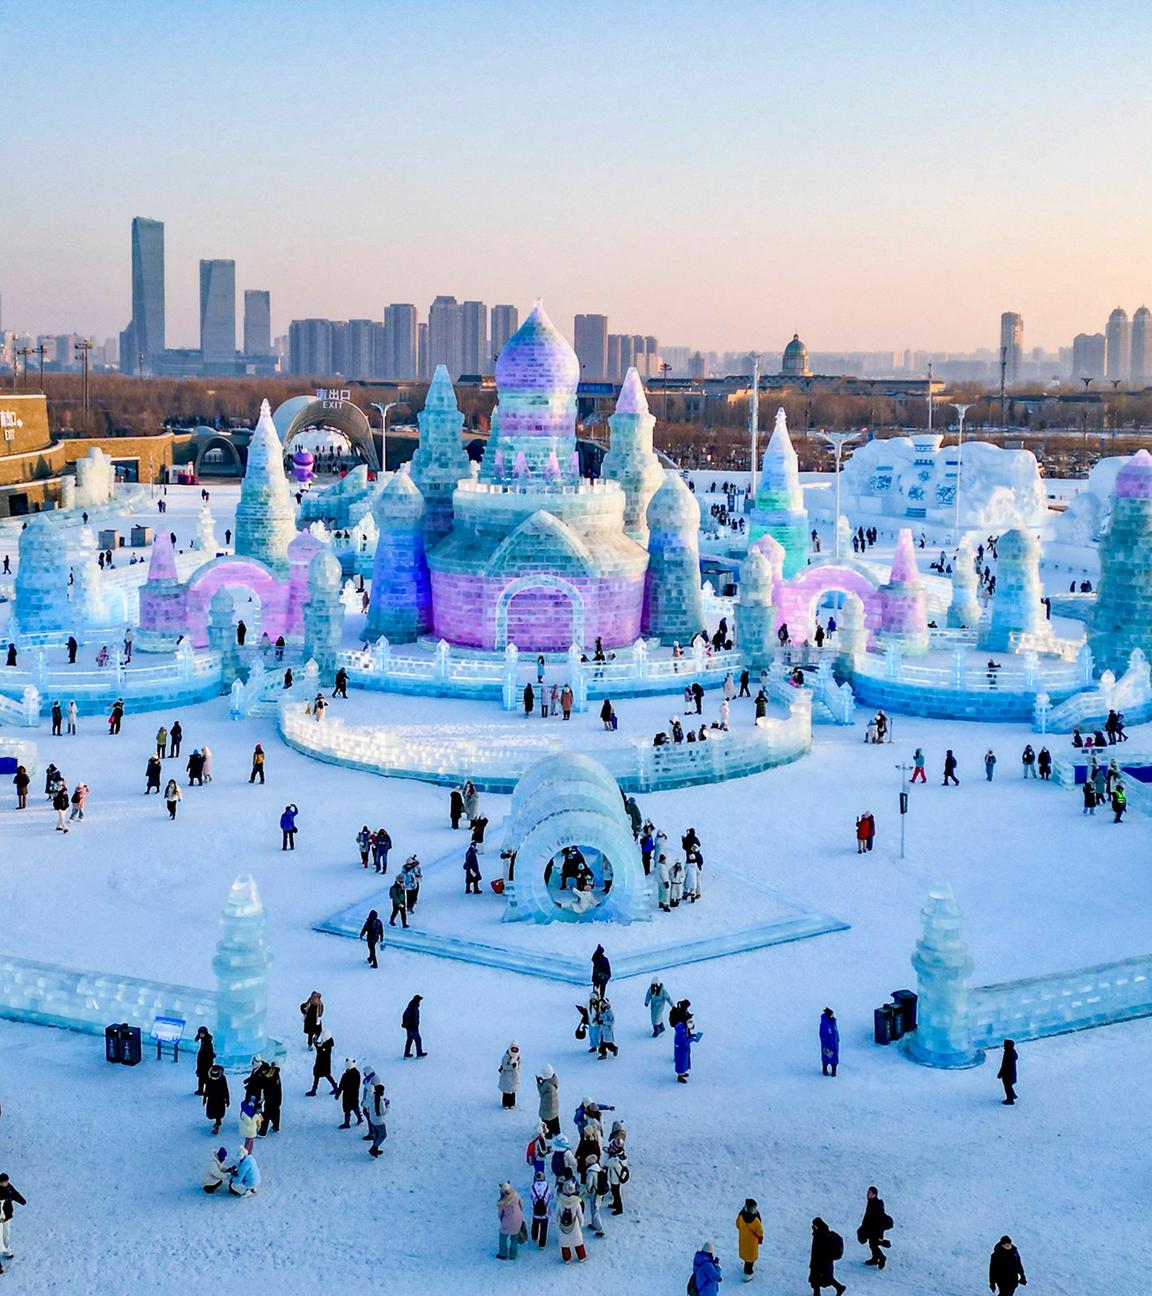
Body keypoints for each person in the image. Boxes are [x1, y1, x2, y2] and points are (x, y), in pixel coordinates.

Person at [809, 1217, 846, 1296]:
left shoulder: (821, 1236)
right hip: (826, 1262)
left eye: (814, 1225)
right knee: (827, 1278)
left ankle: (817, 1295)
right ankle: (839, 1288)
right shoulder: (823, 1233)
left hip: (820, 1263)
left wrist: (814, 1263)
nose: (813, 1227)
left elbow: (818, 1251)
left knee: (816, 1279)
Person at [858, 1186, 892, 1269]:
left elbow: (879, 1221)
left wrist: (880, 1234)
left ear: (874, 1194)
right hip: (871, 1228)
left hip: (876, 1230)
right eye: (868, 1192)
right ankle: (875, 1258)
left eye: (870, 1193)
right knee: (872, 1243)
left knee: (873, 1244)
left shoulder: (876, 1205)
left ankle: (881, 1258)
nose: (868, 1194)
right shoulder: (871, 1202)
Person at [556, 1177, 586, 1263]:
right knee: (578, 1241)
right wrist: (581, 1223)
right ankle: (582, 1256)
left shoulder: (560, 1201)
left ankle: (567, 1258)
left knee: (564, 1242)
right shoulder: (576, 1202)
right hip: (574, 1225)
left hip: (563, 1225)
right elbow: (580, 1214)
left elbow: (557, 1214)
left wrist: (558, 1223)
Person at [736, 1199, 764, 1283]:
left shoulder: (741, 1217)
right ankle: (747, 1274)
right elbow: (760, 1232)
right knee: (750, 1258)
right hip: (752, 1243)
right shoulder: (755, 1221)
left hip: (743, 1240)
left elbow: (737, 1225)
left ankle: (746, 1268)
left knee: (746, 1255)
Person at [497, 1181, 524, 1260]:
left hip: (507, 1222)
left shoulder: (502, 1202)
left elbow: (500, 1214)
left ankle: (503, 1253)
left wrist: (502, 1221)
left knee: (503, 1236)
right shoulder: (516, 1194)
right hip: (518, 1219)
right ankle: (513, 1254)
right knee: (514, 1237)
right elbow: (521, 1205)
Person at [673, 1005, 701, 1083]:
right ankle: (680, 1076)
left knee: (684, 1061)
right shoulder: (681, 1029)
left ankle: (683, 1073)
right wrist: (692, 1039)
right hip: (681, 1049)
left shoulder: (683, 1027)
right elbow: (683, 1041)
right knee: (681, 1062)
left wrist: (691, 1036)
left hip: (683, 1049)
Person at [307, 1030, 338, 1096]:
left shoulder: (327, 1046)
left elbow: (320, 1051)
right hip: (322, 1063)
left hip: (322, 1064)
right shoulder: (327, 1043)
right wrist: (316, 1043)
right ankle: (335, 1087)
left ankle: (314, 1090)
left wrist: (315, 1043)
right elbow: (320, 1047)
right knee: (325, 1076)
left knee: (320, 1076)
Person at [203, 1064, 230, 1134]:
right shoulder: (209, 1079)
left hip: (220, 1098)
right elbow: (207, 1088)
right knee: (211, 1113)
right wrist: (205, 1097)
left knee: (219, 1112)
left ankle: (218, 1123)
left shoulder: (222, 1078)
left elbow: (225, 1089)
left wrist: (227, 1099)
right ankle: (217, 1122)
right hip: (211, 1098)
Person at [528, 1169, 552, 1248]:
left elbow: (531, 1197)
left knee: (535, 1224)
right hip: (545, 1211)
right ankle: (542, 1244)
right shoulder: (547, 1187)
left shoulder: (533, 1187)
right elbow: (550, 1197)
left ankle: (534, 1236)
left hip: (536, 1211)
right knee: (544, 1228)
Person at [336, 1059, 363, 1127]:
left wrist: (337, 1094)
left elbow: (341, 1085)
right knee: (355, 1106)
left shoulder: (346, 1075)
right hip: (355, 1094)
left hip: (347, 1095)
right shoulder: (357, 1073)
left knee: (347, 1109)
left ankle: (347, 1123)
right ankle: (359, 1118)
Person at [365, 1083, 389, 1157]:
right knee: (383, 1135)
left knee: (376, 1134)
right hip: (379, 1121)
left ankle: (375, 1148)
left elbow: (366, 1105)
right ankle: (374, 1148)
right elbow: (383, 1112)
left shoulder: (372, 1096)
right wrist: (387, 1105)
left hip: (372, 1119)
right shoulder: (380, 1101)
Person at [537, 1064, 560, 1136]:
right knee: (554, 1119)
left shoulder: (546, 1084)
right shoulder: (554, 1079)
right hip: (554, 1105)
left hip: (547, 1107)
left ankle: (548, 1133)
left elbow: (541, 1091)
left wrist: (539, 1083)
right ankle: (556, 1131)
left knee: (547, 1120)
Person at [259, 1064, 282, 1135]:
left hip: (271, 1100)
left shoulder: (270, 1079)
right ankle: (276, 1127)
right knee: (275, 1113)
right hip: (277, 1099)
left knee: (266, 1115)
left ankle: (262, 1132)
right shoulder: (275, 1075)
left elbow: (266, 1088)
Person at [498, 1042, 520, 1108]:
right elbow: (504, 1066)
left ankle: (512, 1104)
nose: (514, 1051)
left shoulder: (518, 1057)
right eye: (513, 1049)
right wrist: (511, 1066)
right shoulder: (506, 1057)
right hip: (506, 1077)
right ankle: (505, 1104)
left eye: (516, 1049)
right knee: (506, 1092)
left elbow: (519, 1066)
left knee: (512, 1092)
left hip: (514, 1077)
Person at [820, 1007, 840, 1077]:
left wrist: (837, 1039)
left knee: (834, 1058)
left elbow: (836, 1032)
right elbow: (823, 1035)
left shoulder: (833, 1022)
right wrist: (825, 1044)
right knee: (826, 1056)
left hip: (834, 1044)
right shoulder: (825, 1024)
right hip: (828, 1044)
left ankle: (834, 1071)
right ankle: (825, 1069)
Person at [998, 1039, 1018, 1105]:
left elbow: (1004, 1065)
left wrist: (1000, 1073)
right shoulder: (1012, 1052)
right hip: (1011, 1073)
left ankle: (1010, 1099)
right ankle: (1013, 1095)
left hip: (1007, 1074)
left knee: (1007, 1086)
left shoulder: (1007, 1053)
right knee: (1008, 1085)